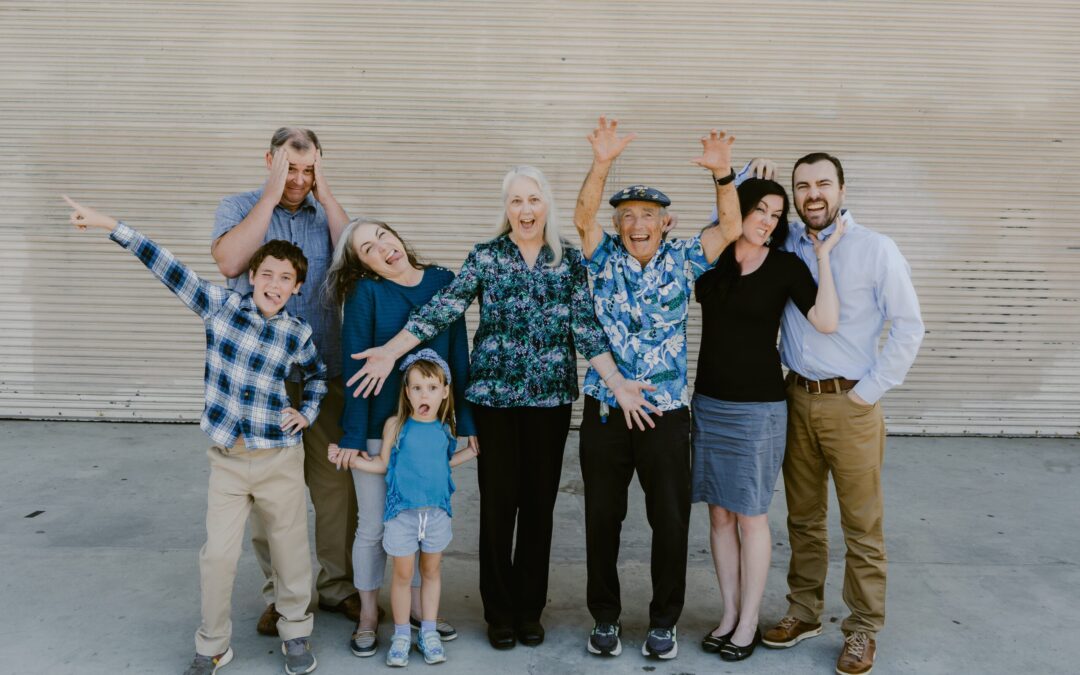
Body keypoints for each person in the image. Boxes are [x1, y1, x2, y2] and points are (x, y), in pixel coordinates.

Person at [346, 165, 658, 651]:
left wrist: (617, 382)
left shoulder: (567, 262)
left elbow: (587, 328)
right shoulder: (486, 258)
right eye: (516, 201)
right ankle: (499, 613)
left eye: (533, 200)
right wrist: (391, 349)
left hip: (550, 402)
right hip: (493, 400)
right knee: (497, 506)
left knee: (539, 507)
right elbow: (442, 308)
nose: (525, 210)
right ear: (506, 208)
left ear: (545, 205)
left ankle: (528, 610)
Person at [62, 197, 323, 675]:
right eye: (266, 273)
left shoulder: (297, 333)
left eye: (286, 278)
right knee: (218, 555)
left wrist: (305, 411)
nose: (274, 284)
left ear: (297, 287)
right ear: (251, 276)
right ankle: (213, 644)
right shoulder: (220, 306)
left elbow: (318, 376)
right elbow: (165, 264)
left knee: (290, 553)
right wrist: (108, 223)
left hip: (278, 458)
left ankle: (296, 632)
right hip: (228, 457)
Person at [571, 116, 742, 660]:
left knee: (668, 520)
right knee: (602, 517)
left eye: (647, 215)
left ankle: (663, 621)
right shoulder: (602, 259)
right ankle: (605, 617)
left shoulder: (685, 257)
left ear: (666, 223)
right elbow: (581, 217)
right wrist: (601, 164)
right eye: (627, 216)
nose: (636, 223)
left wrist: (723, 176)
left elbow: (730, 229)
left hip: (666, 412)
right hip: (605, 408)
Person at [759, 153, 924, 675]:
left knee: (861, 524)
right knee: (803, 519)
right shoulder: (781, 241)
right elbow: (726, 230)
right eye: (802, 185)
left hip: (852, 404)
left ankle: (861, 629)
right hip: (795, 398)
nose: (813, 194)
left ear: (842, 190)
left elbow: (908, 326)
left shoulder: (876, 249)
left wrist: (868, 392)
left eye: (823, 184)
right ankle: (804, 611)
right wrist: (743, 178)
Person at [210, 127, 361, 633]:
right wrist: (272, 194)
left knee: (335, 488)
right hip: (262, 384)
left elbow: (358, 259)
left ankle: (337, 586)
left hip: (325, 371)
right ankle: (279, 595)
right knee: (268, 498)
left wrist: (327, 193)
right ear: (270, 161)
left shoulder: (327, 214)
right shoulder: (238, 207)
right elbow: (231, 260)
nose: (298, 180)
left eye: (307, 169)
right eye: (289, 168)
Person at [692, 177, 844, 662]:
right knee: (719, 513)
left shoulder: (785, 266)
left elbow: (826, 321)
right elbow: (696, 245)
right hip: (709, 403)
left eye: (777, 215)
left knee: (752, 516)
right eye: (760, 209)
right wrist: (731, 182)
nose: (767, 221)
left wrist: (823, 254)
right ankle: (730, 612)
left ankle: (750, 621)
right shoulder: (713, 257)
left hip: (759, 409)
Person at [323, 218, 477, 657]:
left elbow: (458, 357)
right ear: (364, 265)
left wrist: (464, 423)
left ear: (397, 236)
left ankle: (418, 614)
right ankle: (370, 614)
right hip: (375, 429)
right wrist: (353, 434)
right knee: (374, 527)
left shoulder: (444, 282)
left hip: (429, 432)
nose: (382, 248)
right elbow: (356, 372)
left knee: (425, 525)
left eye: (382, 236)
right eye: (368, 249)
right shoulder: (366, 293)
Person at [330, 350, 478, 667]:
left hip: (436, 515)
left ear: (445, 391)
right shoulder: (396, 426)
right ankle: (400, 634)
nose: (425, 394)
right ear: (407, 392)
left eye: (432, 387)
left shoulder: (444, 428)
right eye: (417, 388)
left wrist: (471, 452)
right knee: (402, 573)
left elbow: (444, 464)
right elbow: (383, 464)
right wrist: (349, 458)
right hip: (403, 516)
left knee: (431, 571)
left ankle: (427, 631)